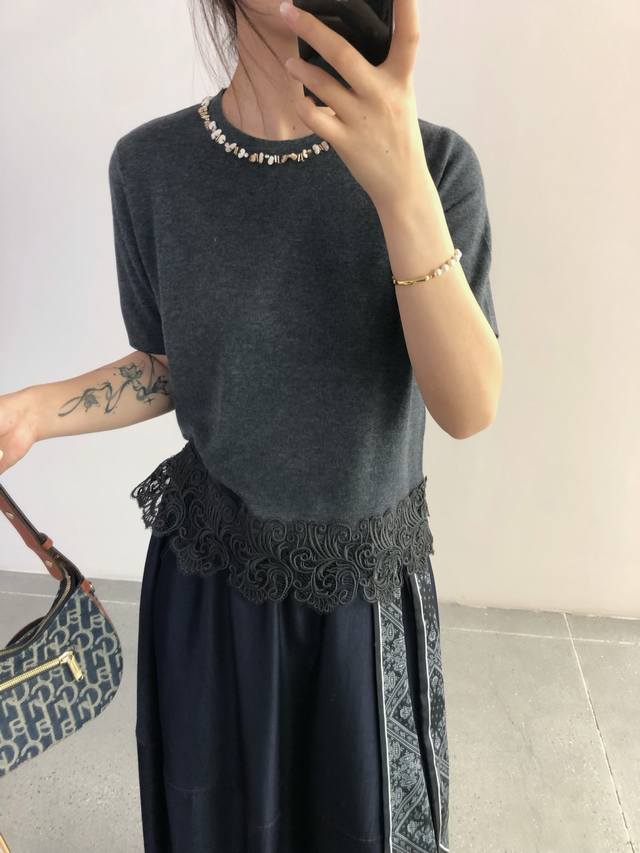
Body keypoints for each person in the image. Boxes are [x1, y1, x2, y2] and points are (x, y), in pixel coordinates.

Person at [0, 0, 502, 850]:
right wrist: (34, 410)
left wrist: (401, 191)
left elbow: (469, 406)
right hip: (209, 584)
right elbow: (176, 366)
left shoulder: (438, 164)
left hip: (362, 603)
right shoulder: (151, 167)